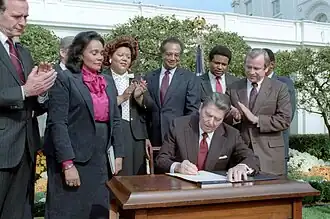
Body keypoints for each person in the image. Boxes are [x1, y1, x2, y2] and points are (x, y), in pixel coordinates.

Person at [44, 31, 123, 219]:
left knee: (98, 211)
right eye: (94, 53)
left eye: (101, 53)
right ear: (80, 54)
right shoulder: (65, 79)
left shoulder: (108, 81)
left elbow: (116, 119)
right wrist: (67, 164)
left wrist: (118, 153)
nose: (99, 57)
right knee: (70, 211)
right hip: (73, 158)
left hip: (100, 159)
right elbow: (58, 123)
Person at [0, 0, 57, 218]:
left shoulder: (23, 52)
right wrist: (24, 91)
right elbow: (23, 92)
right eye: (16, 16)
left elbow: (34, 101)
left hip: (26, 148)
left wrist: (41, 90)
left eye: (26, 17)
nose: (23, 23)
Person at [156, 93, 260, 181]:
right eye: (208, 115)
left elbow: (252, 158)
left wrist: (242, 166)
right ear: (200, 108)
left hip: (215, 192)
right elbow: (161, 159)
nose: (211, 122)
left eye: (217, 119)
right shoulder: (179, 126)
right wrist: (178, 167)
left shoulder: (231, 134)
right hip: (182, 189)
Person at [226, 48, 292, 175]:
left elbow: (284, 120)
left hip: (269, 156)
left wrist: (257, 120)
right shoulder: (234, 87)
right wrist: (233, 117)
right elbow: (224, 119)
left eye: (256, 68)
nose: (251, 72)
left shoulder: (279, 88)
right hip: (240, 156)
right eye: (248, 67)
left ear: (266, 68)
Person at [103, 36, 151, 175]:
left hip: (135, 135)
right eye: (120, 55)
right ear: (110, 57)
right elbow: (100, 107)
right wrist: (123, 98)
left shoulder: (137, 79)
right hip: (111, 133)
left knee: (135, 178)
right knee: (115, 176)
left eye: (128, 57)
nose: (124, 59)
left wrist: (139, 97)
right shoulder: (102, 78)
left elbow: (149, 109)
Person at [144, 37, 200, 148]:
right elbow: (144, 111)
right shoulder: (149, 77)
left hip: (178, 137)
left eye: (177, 55)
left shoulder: (189, 78)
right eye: (169, 54)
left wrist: (184, 134)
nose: (173, 58)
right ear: (162, 54)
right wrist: (145, 136)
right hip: (153, 138)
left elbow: (192, 110)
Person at [263, 48, 296, 175]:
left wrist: (260, 122)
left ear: (272, 64)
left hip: (277, 146)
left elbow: (287, 117)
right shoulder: (250, 83)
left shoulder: (284, 83)